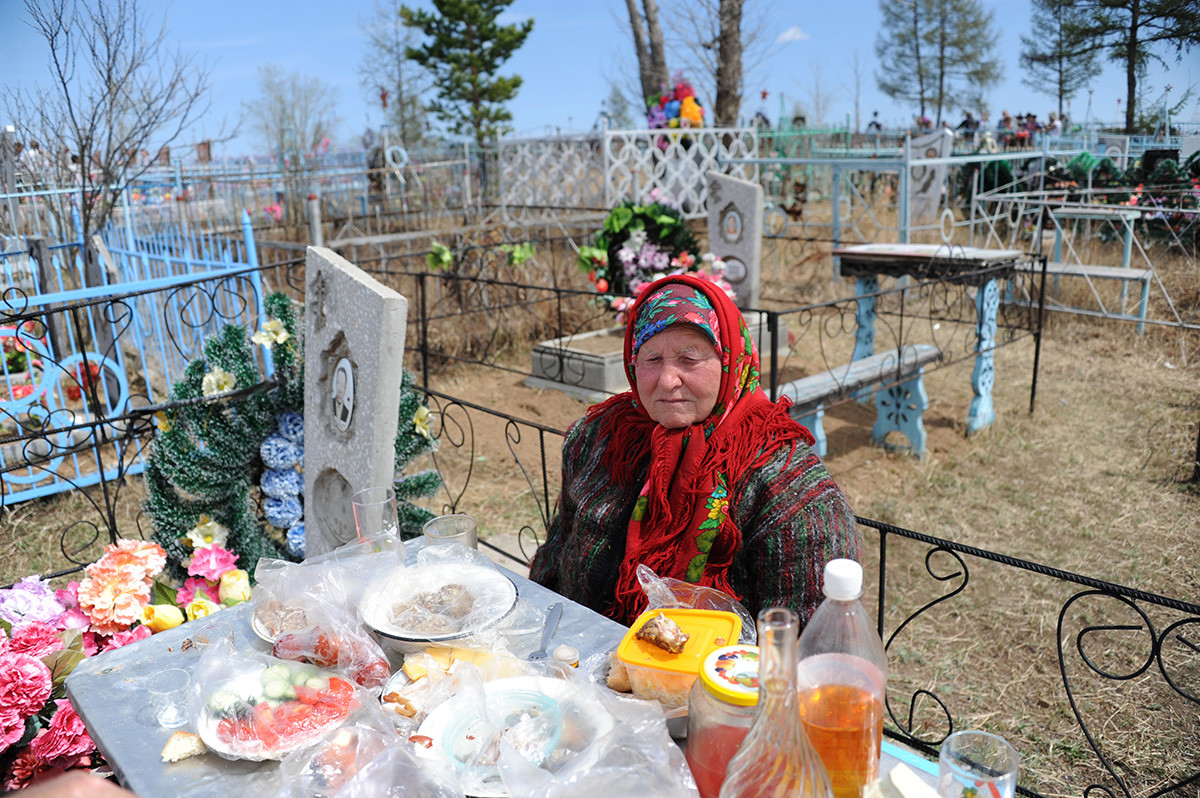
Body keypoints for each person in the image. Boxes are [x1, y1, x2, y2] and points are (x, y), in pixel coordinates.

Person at [530, 274, 861, 626]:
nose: (667, 380)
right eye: (652, 358)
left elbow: (806, 640)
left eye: (689, 358)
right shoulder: (599, 439)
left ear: (730, 362)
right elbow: (554, 560)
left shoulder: (786, 484)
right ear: (632, 363)